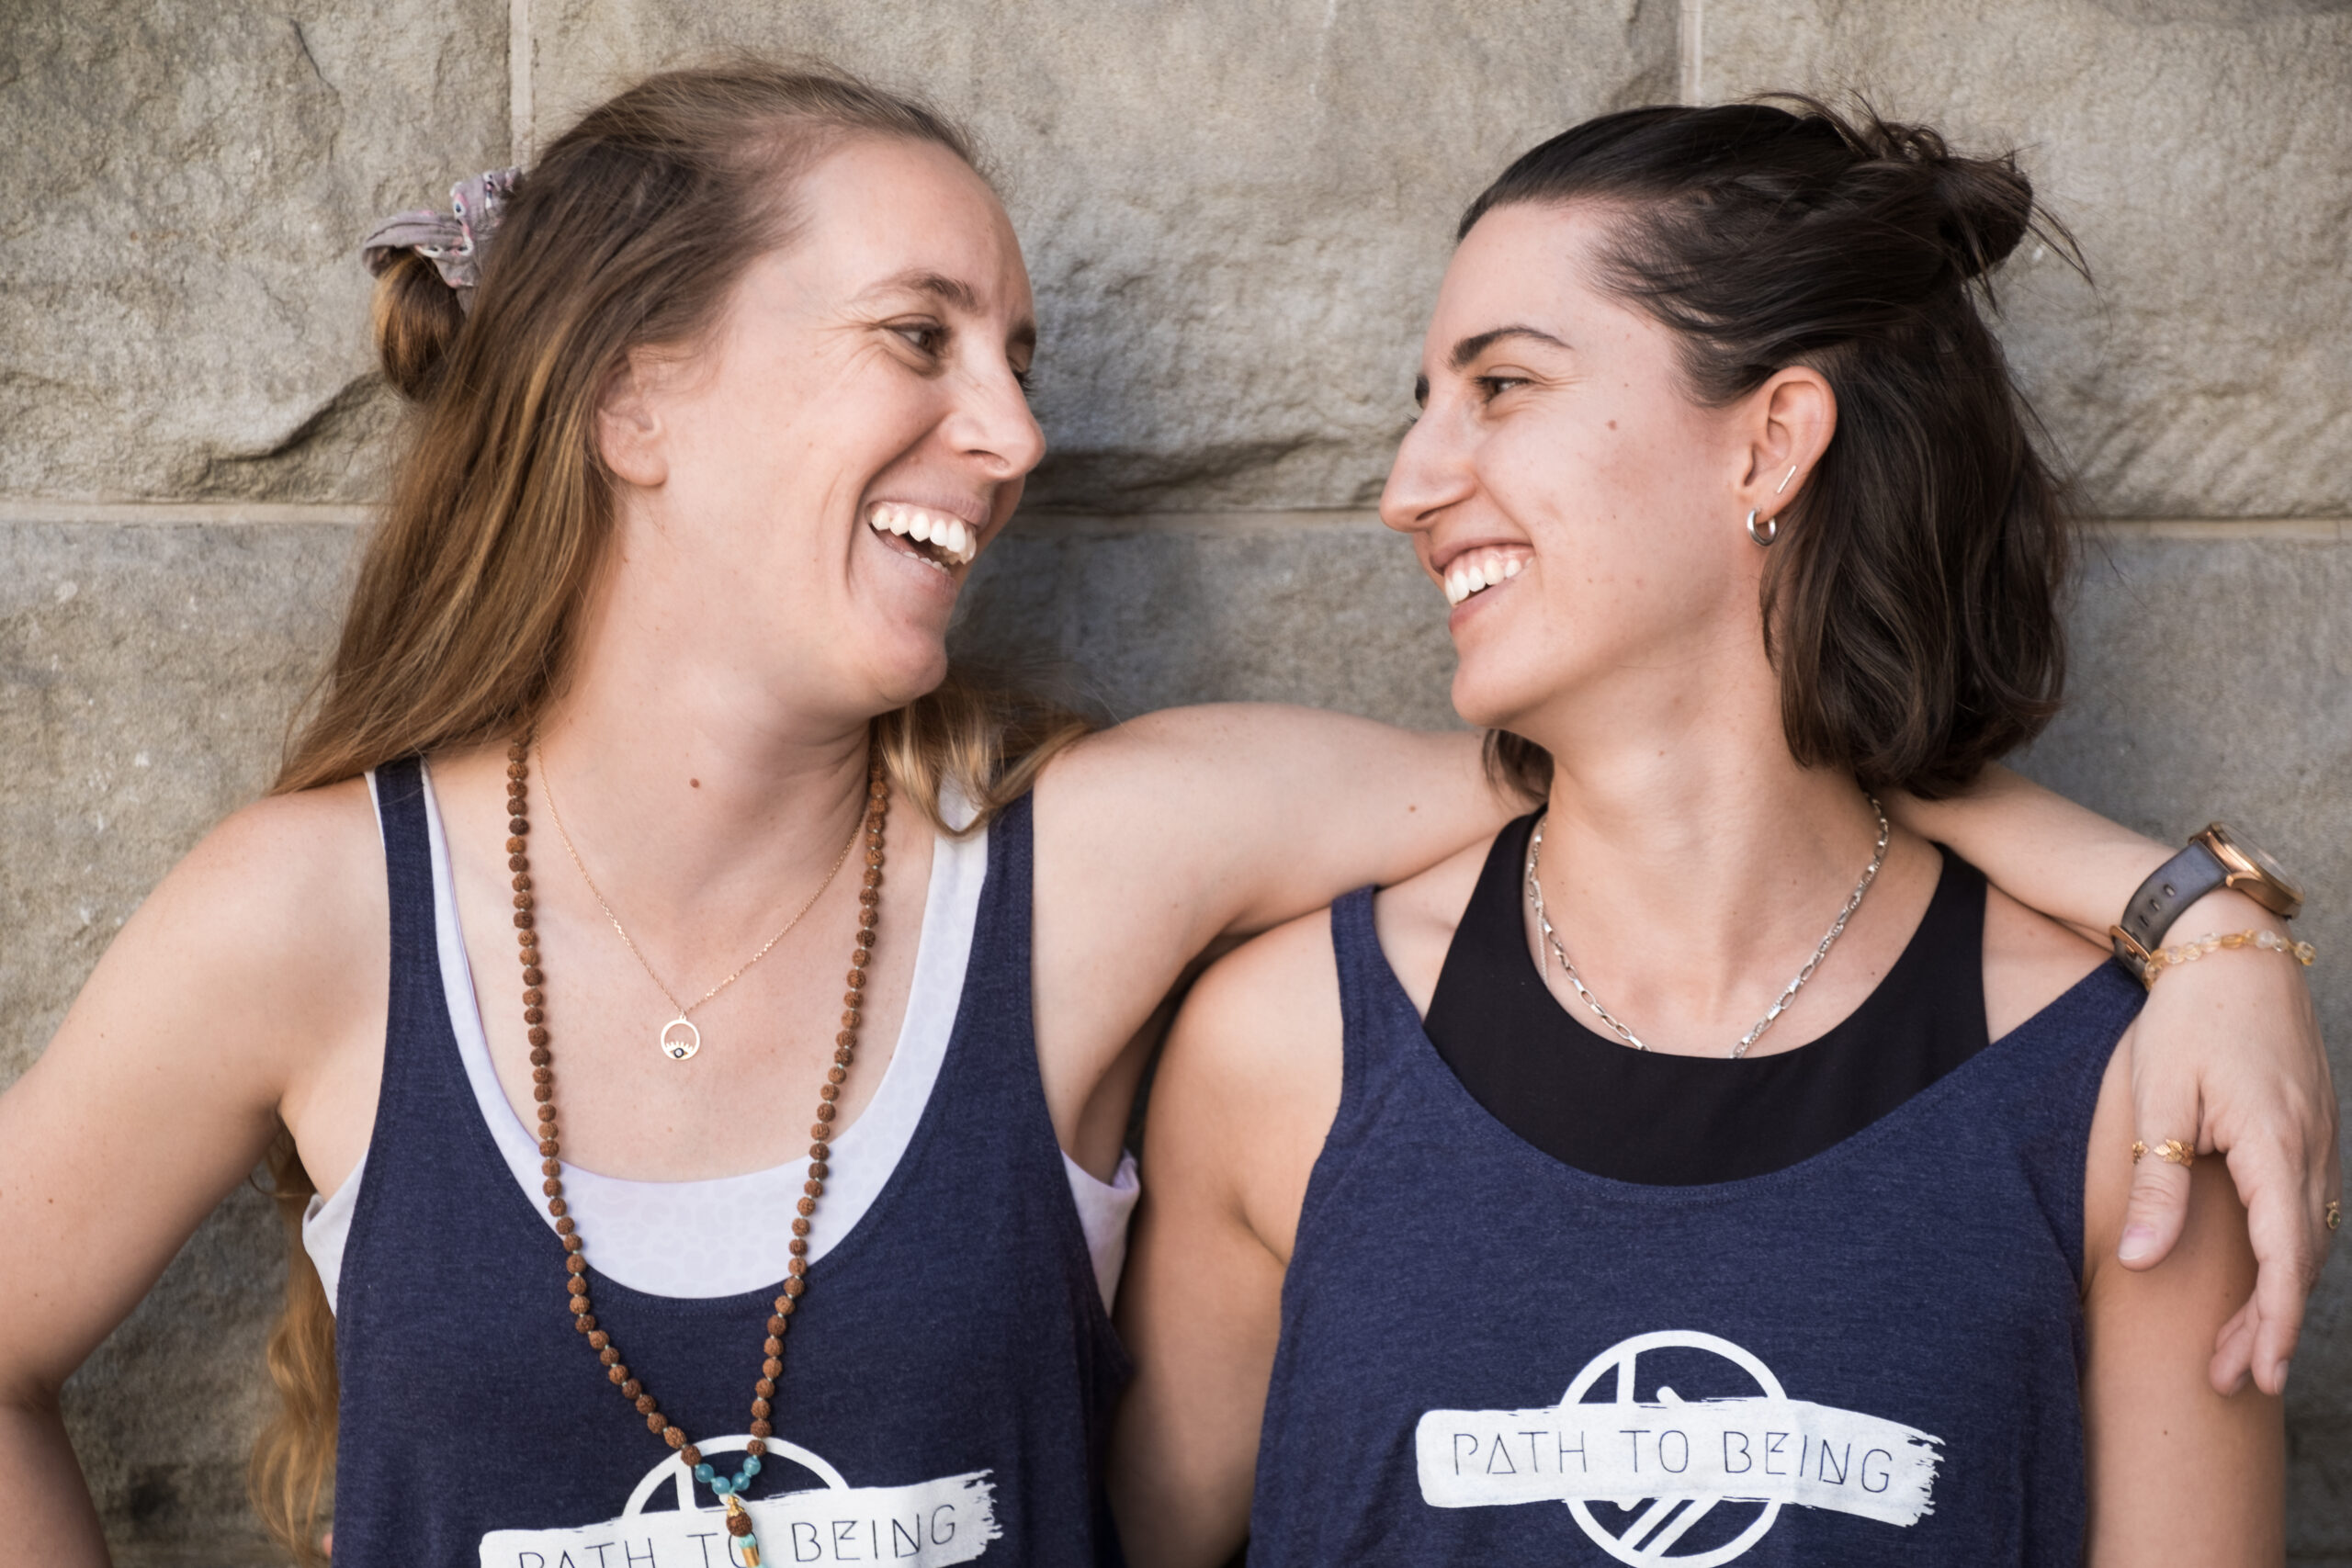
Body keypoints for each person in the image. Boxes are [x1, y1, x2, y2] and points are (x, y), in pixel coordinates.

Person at [0, 68, 2324, 1568]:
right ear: (636, 401)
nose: (1013, 435)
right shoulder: (317, 914)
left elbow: (1676, 758)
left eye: (1012, 356)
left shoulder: (1098, 864)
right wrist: (2191, 914)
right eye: (920, 337)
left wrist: (2193, 921)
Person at [1112, 101, 2322, 1566]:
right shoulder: (1284, 1049)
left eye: (1502, 386)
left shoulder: (2139, 1092)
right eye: (1426, 405)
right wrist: (2200, 911)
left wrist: (2206, 932)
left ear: (1770, 443)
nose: (1407, 491)